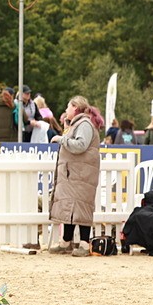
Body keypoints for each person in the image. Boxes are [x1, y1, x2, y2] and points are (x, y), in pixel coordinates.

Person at [47, 95, 101, 256]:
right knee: (70, 206)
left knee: (81, 206)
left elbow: (81, 145)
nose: (65, 110)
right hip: (75, 173)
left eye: (68, 107)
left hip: (81, 174)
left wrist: (61, 139)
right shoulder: (77, 124)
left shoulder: (84, 124)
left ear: (75, 108)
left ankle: (84, 244)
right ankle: (66, 241)